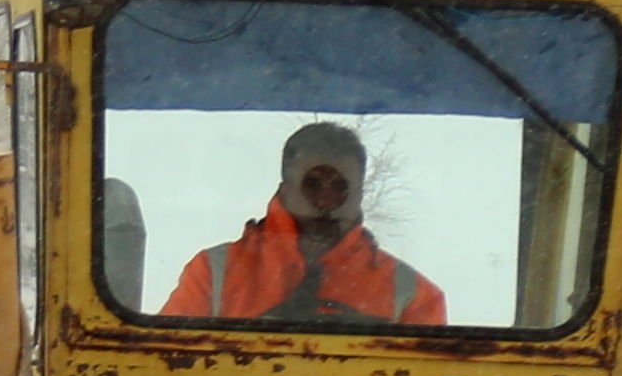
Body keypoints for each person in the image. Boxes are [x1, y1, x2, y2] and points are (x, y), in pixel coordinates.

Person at [162, 121, 447, 326]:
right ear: (285, 188)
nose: (325, 201)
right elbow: (166, 374)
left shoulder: (414, 296)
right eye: (312, 184)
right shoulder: (213, 273)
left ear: (359, 193)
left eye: (339, 187)